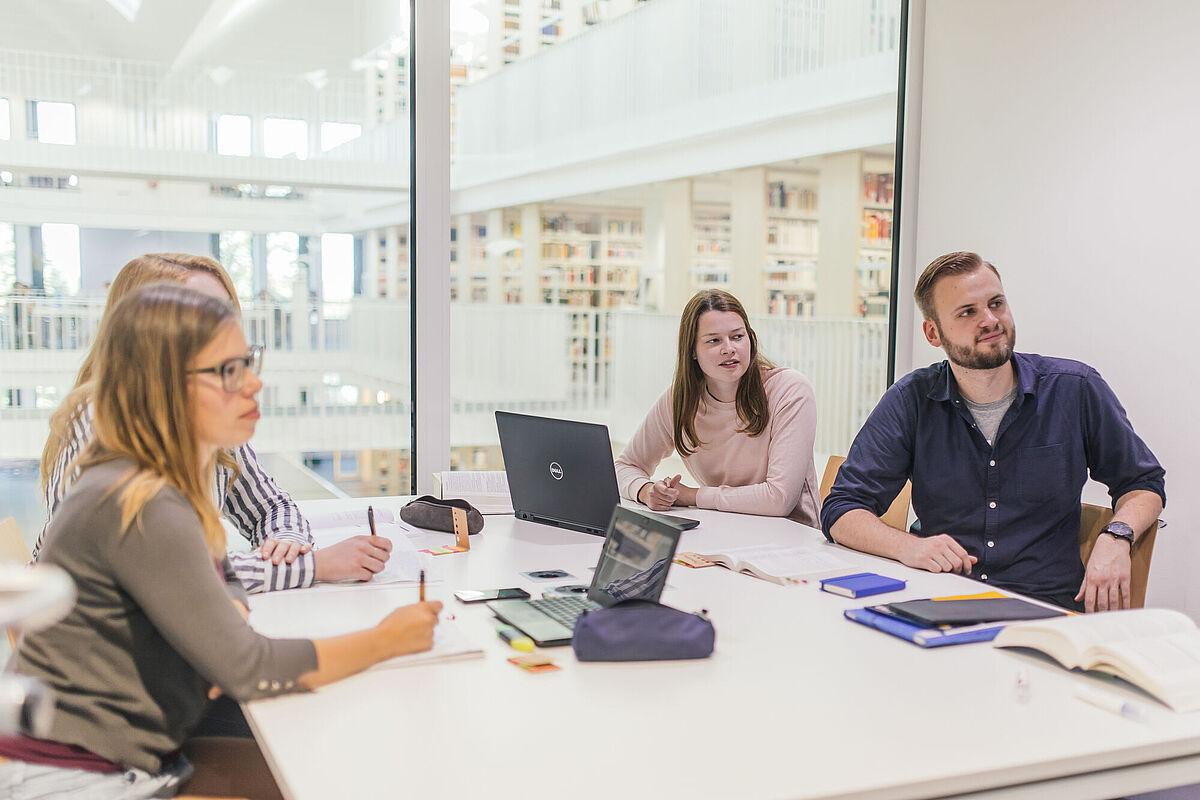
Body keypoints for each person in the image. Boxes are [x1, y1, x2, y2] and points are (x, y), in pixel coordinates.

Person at [0, 283, 442, 797]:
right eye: (228, 371)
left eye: (248, 362)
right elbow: (251, 670)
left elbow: (221, 586)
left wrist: (225, 611)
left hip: (116, 753)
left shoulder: (156, 479)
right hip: (81, 779)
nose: (254, 384)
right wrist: (387, 638)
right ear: (163, 388)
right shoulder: (140, 503)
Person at [821, 251, 1165, 612]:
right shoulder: (911, 400)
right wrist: (910, 547)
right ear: (932, 333)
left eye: (996, 303)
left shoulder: (1075, 389)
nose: (990, 320)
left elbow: (1143, 483)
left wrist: (1117, 535)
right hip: (937, 600)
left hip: (1041, 611)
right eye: (968, 312)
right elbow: (843, 509)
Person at [35, 253, 389, 593]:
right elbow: (166, 572)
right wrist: (311, 566)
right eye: (201, 316)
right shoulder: (102, 419)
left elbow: (270, 506)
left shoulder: (205, 409)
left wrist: (286, 543)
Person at [614, 289, 820, 526]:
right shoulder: (680, 399)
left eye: (737, 337)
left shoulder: (789, 390)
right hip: (721, 531)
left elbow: (779, 498)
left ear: (750, 340)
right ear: (692, 350)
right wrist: (646, 490)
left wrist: (692, 496)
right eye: (713, 340)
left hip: (791, 541)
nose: (729, 348)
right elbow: (626, 466)